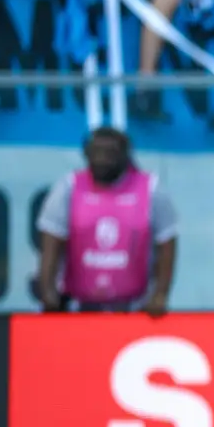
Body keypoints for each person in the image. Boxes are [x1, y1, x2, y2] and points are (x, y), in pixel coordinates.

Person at [34, 128, 178, 316]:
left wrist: (160, 295)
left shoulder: (151, 189)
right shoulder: (68, 187)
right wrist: (48, 293)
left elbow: (167, 243)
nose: (102, 160)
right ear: (86, 154)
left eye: (110, 153)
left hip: (135, 308)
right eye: (96, 153)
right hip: (78, 307)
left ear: (126, 155)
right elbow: (51, 243)